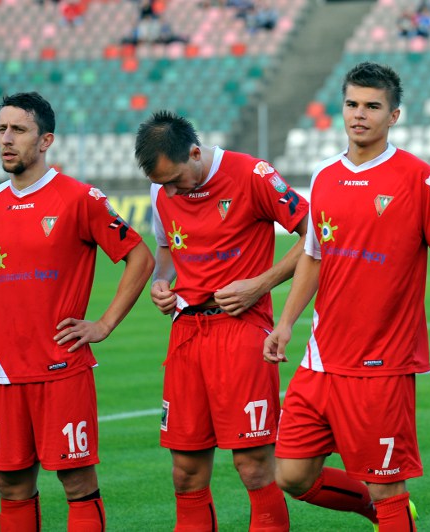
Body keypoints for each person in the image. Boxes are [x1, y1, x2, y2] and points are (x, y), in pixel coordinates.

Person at [263, 61, 430, 531]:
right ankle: (377, 513)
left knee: (387, 486)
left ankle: (389, 511)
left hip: (382, 364)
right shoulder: (324, 176)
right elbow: (313, 255)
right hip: (321, 360)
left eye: (372, 106)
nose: (359, 114)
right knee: (291, 474)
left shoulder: (418, 177)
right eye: (352, 104)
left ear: (393, 116)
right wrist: (286, 323)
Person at [0, 92, 154, 531]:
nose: (6, 139)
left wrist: (104, 324)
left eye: (19, 130)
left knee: (76, 482)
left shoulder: (79, 198)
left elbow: (140, 257)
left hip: (61, 366)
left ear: (46, 140)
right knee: (11, 486)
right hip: (5, 371)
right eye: (1, 129)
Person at [135, 110, 309, 531]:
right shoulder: (163, 192)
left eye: (175, 180)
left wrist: (260, 284)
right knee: (185, 472)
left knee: (253, 466)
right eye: (162, 184)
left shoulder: (253, 175)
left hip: (242, 330)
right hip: (186, 335)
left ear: (195, 153)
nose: (171, 192)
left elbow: (316, 235)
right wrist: (160, 282)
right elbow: (166, 251)